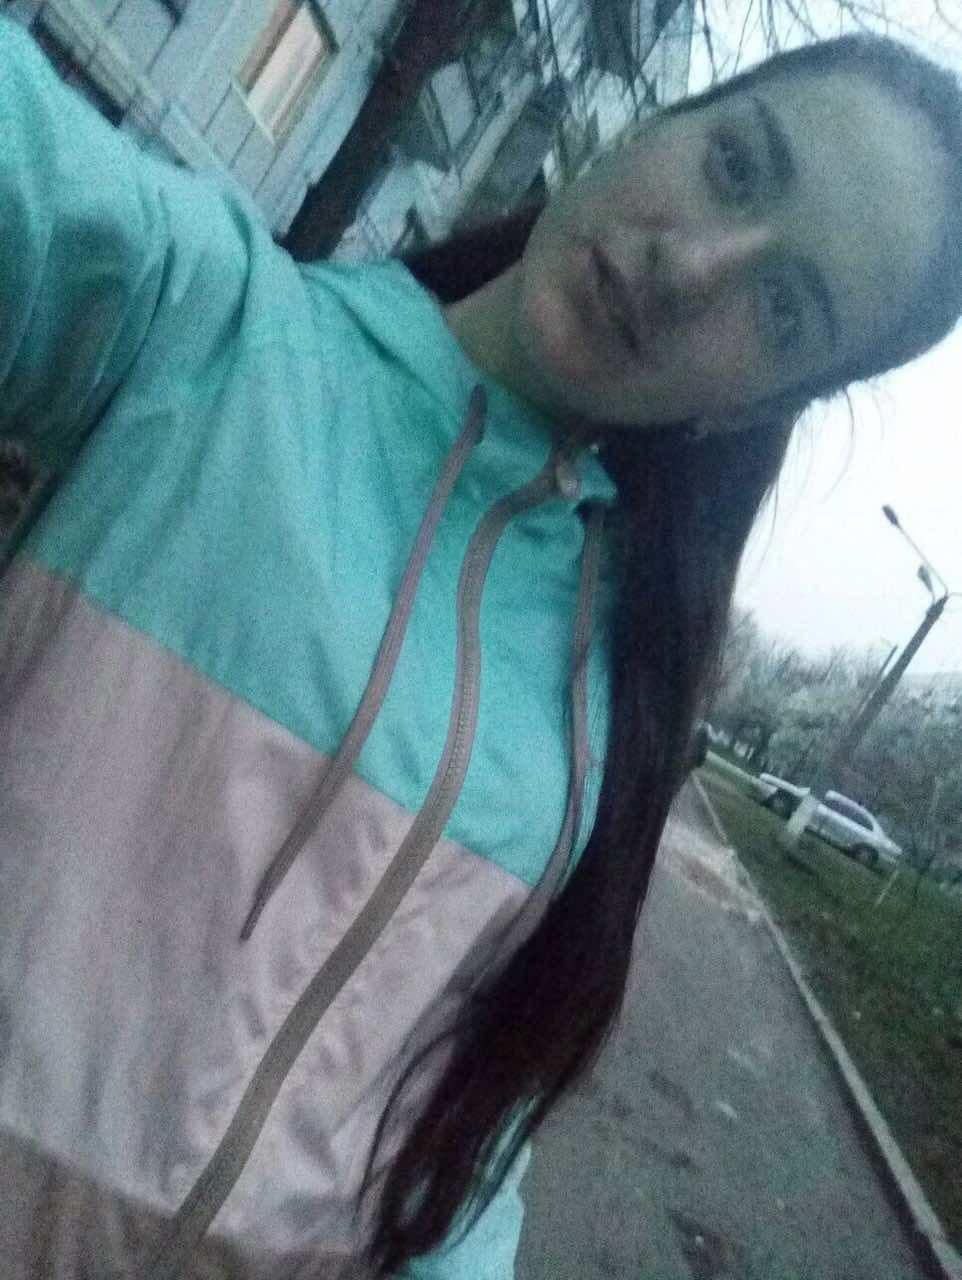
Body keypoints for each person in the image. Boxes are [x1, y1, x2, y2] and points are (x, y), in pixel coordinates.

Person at [0, 12, 960, 1278]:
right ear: (645, 125)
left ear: (755, 408)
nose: (691, 268)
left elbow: (460, 1139)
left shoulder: (607, 703)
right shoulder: (203, 322)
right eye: (734, 164)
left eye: (782, 308)